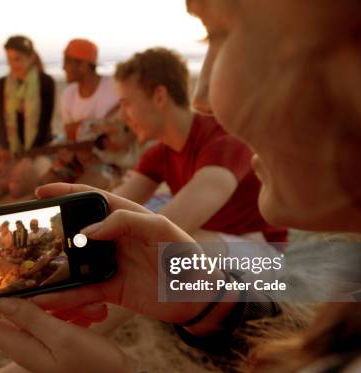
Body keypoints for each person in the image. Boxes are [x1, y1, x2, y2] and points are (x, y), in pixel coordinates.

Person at [0, 0, 361, 373]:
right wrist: (50, 236)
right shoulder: (158, 153)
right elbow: (117, 205)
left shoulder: (215, 140)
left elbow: (180, 217)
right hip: (228, 279)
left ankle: (24, 370)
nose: (202, 97)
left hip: (266, 263)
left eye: (217, 33)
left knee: (177, 239)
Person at [112, 47, 286, 245]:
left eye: (126, 104)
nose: (121, 116)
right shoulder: (160, 153)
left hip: (258, 248)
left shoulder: (223, 139)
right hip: (211, 240)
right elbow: (113, 204)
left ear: (159, 96)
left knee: (170, 243)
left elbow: (170, 226)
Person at [0, 35, 56, 198]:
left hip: (40, 149)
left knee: (16, 186)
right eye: (9, 60)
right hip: (13, 151)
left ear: (31, 57)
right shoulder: (0, 85)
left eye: (17, 59)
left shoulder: (46, 82)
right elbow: (3, 125)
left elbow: (44, 127)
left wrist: (28, 157)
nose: (13, 65)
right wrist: (3, 154)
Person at [42, 38, 121, 186]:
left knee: (83, 192)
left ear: (83, 66)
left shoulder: (115, 86)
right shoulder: (67, 95)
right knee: (46, 186)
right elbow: (71, 137)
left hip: (114, 162)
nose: (63, 68)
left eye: (67, 62)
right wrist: (67, 150)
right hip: (80, 159)